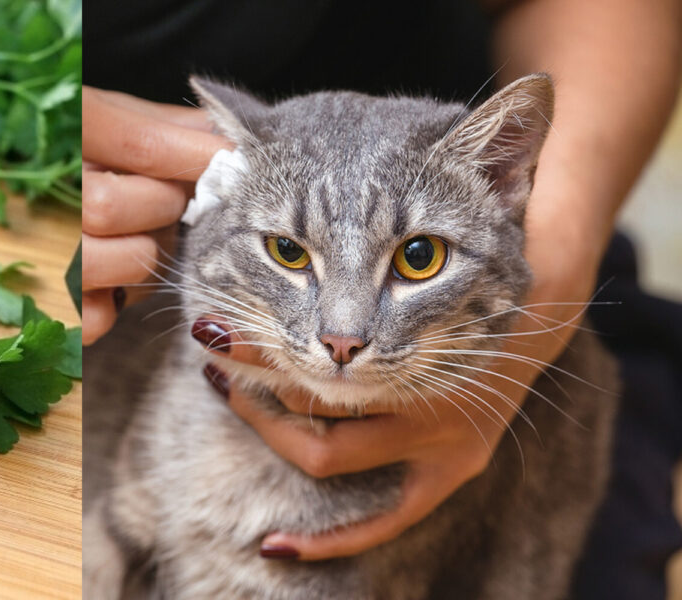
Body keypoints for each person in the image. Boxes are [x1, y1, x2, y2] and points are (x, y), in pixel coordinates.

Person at [81, 0, 682, 596]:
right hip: (128, 243)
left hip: (550, 245)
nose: (343, 335)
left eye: (417, 259)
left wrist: (548, 293)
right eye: (292, 254)